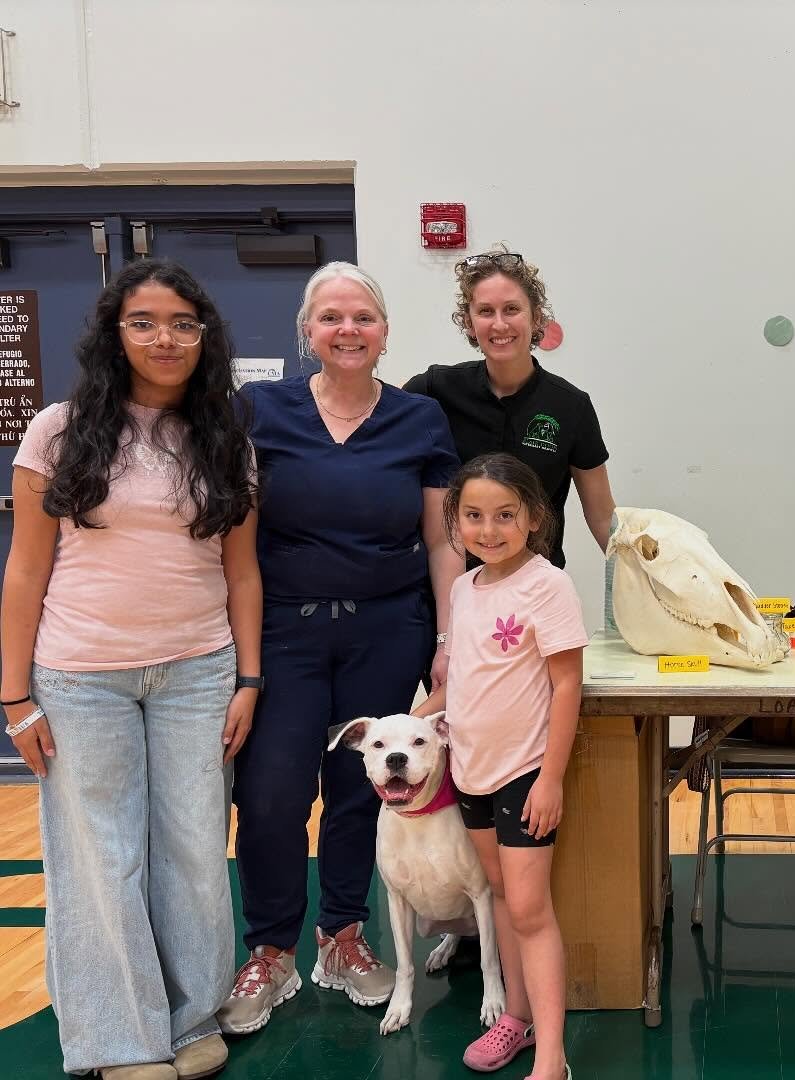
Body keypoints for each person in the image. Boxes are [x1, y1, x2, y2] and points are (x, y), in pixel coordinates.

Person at [0, 259, 260, 1080]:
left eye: (184, 323)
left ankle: (189, 1021)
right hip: (82, 676)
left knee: (191, 848)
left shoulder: (225, 438)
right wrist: (14, 696)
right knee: (101, 856)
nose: (165, 338)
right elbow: (24, 572)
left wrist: (247, 679)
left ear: (205, 336)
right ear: (115, 334)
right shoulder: (57, 429)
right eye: (144, 321)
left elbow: (242, 572)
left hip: (197, 672)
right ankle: (120, 1037)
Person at [219, 263, 462, 1036]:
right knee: (270, 797)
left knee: (366, 793)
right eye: (330, 318)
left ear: (385, 332)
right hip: (285, 629)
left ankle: (345, 938)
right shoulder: (260, 410)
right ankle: (270, 949)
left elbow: (441, 540)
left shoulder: (419, 419)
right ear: (307, 332)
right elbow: (239, 544)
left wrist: (449, 640)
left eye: (362, 317)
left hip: (388, 628)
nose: (347, 329)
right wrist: (246, 660)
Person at [413, 452, 586, 1080]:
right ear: (454, 522)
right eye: (475, 516)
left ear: (534, 518)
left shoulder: (548, 584)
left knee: (531, 909)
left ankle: (551, 1056)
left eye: (505, 515)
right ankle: (514, 1019)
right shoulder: (464, 588)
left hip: (524, 774)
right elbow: (460, 683)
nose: (489, 530)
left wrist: (550, 778)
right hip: (470, 774)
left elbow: (567, 687)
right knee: (506, 899)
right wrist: (408, 721)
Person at [403, 246, 615, 570]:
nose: (499, 324)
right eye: (486, 311)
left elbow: (602, 519)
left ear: (537, 317)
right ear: (469, 323)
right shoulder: (435, 389)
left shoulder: (571, 407)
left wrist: (646, 586)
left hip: (534, 594)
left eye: (512, 309)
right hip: (452, 589)